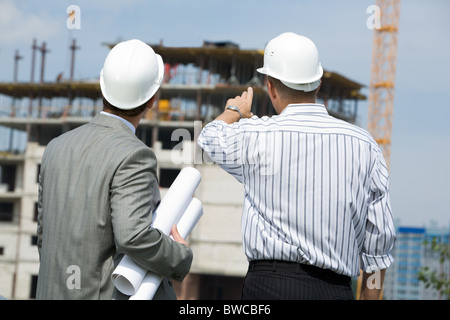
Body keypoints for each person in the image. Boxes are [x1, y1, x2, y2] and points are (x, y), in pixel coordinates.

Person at [197, 32, 396, 300]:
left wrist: (235, 109)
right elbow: (377, 249)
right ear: (318, 83)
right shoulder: (365, 145)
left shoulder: (255, 135)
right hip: (334, 290)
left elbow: (209, 136)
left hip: (268, 287)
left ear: (270, 86)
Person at [36, 39, 193, 299]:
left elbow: (44, 235)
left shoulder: (55, 147)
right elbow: (134, 236)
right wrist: (180, 255)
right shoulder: (135, 155)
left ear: (102, 86)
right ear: (152, 99)